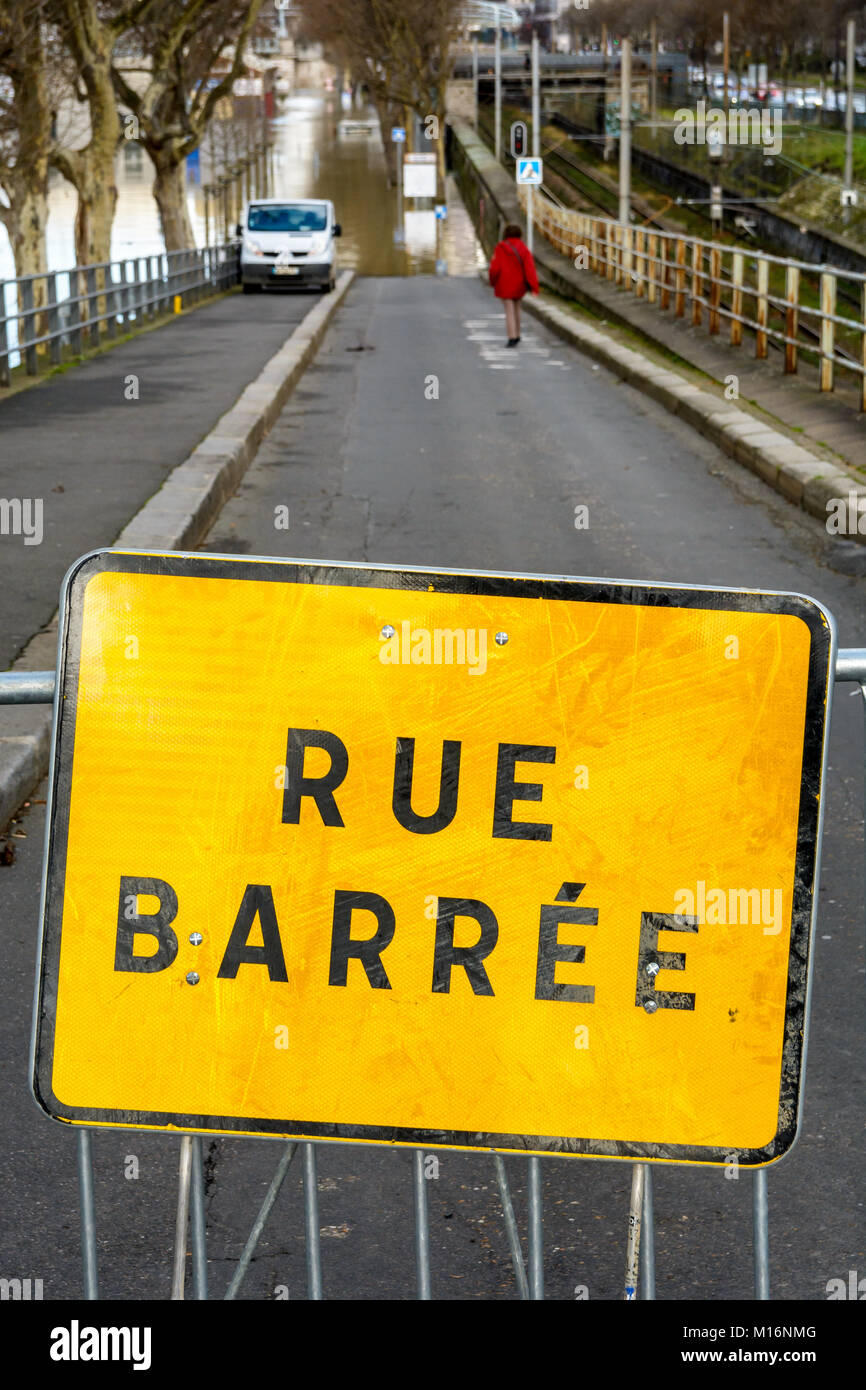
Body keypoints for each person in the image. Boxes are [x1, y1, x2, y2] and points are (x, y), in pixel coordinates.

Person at [488, 223, 539, 347]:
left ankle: (512, 337)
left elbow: (495, 268)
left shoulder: (500, 248)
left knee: (509, 311)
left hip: (505, 284)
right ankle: (518, 334)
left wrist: (492, 281)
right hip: (519, 285)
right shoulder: (523, 248)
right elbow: (530, 268)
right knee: (517, 309)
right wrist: (534, 287)